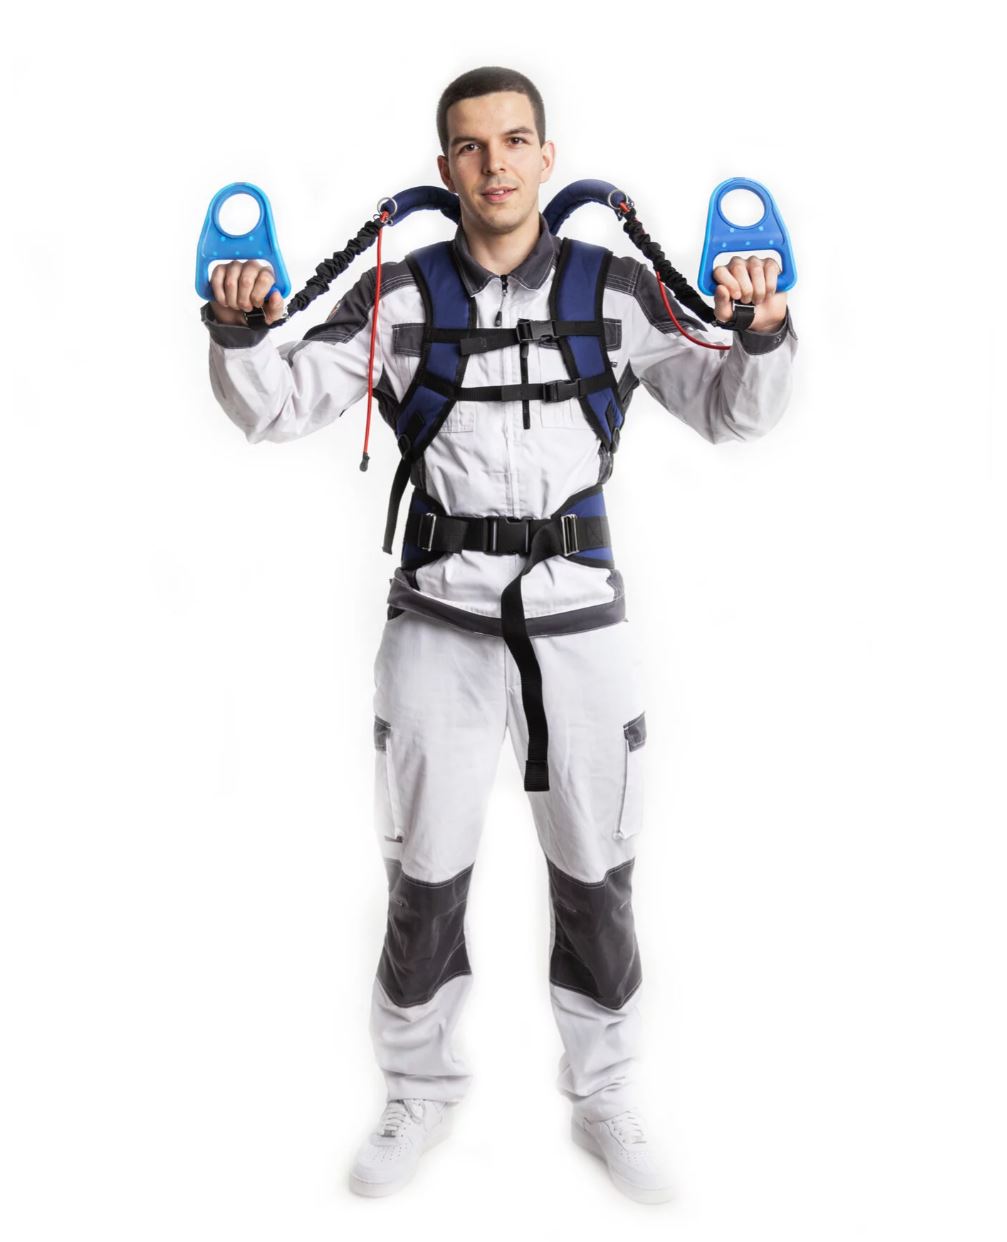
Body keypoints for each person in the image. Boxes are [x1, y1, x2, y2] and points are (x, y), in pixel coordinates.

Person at [199, 65, 798, 1204]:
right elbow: (273, 403)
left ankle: (605, 1091)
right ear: (446, 167)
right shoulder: (398, 292)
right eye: (471, 147)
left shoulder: (616, 288)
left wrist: (761, 327)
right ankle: (416, 1091)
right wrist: (237, 326)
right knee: (422, 876)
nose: (495, 164)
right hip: (439, 623)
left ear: (546, 156)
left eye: (515, 140)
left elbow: (732, 412)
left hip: (582, 626)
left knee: (597, 872)